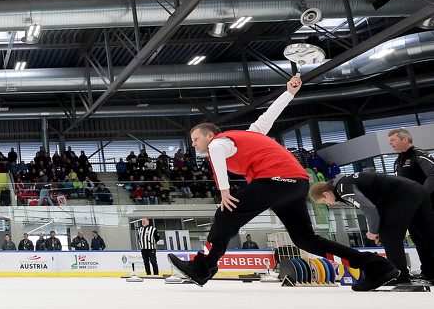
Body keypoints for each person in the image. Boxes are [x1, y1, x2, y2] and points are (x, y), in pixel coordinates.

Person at [169, 76, 396, 291]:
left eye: (196, 139)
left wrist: (224, 190)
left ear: (210, 135)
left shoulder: (220, 142)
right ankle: (377, 266)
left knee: (226, 213)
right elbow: (268, 117)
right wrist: (288, 93)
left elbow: (216, 151)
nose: (194, 145)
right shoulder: (250, 135)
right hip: (296, 183)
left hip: (276, 180)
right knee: (305, 239)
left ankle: (201, 268)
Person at [311, 173, 434, 284]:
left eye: (324, 202)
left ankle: (399, 276)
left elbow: (369, 208)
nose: (328, 204)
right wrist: (379, 229)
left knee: (390, 237)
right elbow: (377, 205)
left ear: (326, 193)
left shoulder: (343, 189)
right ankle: (430, 272)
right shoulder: (345, 182)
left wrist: (373, 231)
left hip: (402, 194)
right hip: (417, 190)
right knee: (427, 235)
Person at [387, 127, 434, 279]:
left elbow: (433, 174)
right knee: (418, 239)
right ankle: (428, 271)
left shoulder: (419, 155)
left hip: (428, 205)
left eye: (393, 140)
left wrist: (421, 195)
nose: (390, 143)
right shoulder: (397, 161)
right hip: (411, 209)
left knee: (430, 238)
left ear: (405, 139)